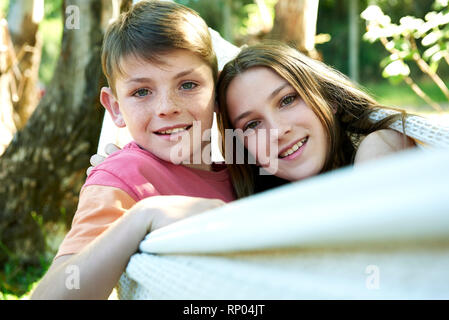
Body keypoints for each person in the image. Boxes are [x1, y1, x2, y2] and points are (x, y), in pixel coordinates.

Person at [31, 0, 235, 300]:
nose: (167, 108)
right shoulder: (124, 177)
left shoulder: (242, 171)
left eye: (188, 85)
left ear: (217, 92)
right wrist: (144, 215)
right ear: (115, 107)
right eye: (141, 92)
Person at [215, 42, 416, 194]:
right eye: (252, 124)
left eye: (287, 100)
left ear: (329, 99)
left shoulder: (380, 145)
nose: (277, 131)